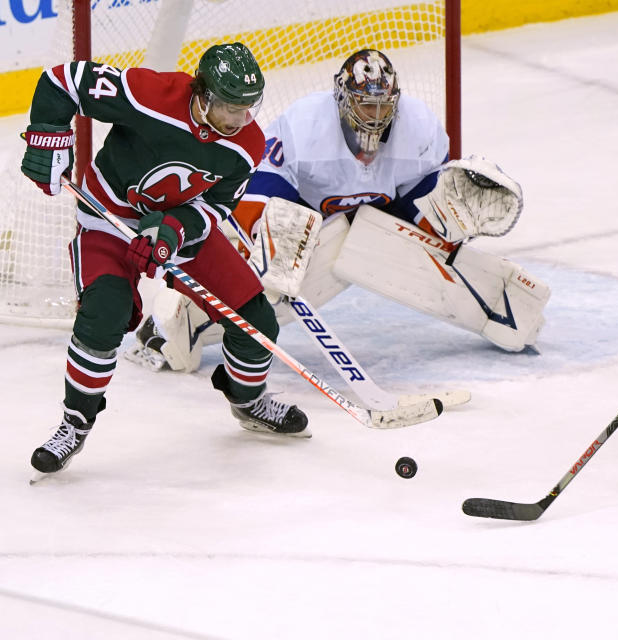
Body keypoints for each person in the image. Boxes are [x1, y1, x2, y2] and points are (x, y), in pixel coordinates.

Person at [128, 48, 545, 375]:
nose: (377, 116)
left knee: (376, 239)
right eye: (367, 105)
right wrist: (268, 232)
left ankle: (504, 309)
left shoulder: (419, 128)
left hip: (371, 220)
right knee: (277, 273)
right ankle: (179, 319)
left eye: (384, 106)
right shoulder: (305, 127)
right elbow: (255, 187)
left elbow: (416, 208)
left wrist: (445, 215)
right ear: (343, 100)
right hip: (305, 215)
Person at [20, 42, 311, 480]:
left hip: (179, 234)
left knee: (257, 322)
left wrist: (172, 230)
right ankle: (74, 423)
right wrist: (50, 137)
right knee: (103, 316)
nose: (239, 120)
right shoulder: (148, 95)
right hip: (108, 221)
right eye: (230, 108)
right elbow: (62, 81)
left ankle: (248, 401)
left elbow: (216, 207)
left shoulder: (246, 143)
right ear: (203, 94)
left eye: (247, 109)